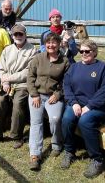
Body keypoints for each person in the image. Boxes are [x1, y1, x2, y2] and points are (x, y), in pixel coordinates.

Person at [61, 40, 105, 178]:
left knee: (84, 121)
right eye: (81, 51)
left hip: (98, 106)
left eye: (87, 51)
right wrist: (73, 103)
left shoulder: (103, 68)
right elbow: (66, 86)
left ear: (94, 52)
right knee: (66, 119)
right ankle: (69, 151)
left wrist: (89, 106)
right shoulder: (74, 67)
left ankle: (97, 159)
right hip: (77, 104)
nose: (84, 54)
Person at [0, 24, 37, 149]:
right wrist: (5, 81)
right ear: (12, 36)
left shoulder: (32, 50)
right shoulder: (7, 50)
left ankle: (16, 136)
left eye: (21, 34)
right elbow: (0, 68)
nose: (18, 36)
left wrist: (8, 78)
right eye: (16, 34)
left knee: (18, 103)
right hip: (6, 83)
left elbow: (27, 72)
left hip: (22, 85)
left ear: (25, 35)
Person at [27, 32, 69, 171]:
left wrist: (58, 94)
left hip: (53, 96)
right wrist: (34, 94)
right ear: (45, 44)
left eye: (54, 42)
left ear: (59, 44)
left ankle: (57, 144)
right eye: (48, 42)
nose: (51, 45)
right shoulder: (38, 58)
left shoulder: (65, 61)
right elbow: (30, 77)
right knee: (36, 122)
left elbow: (67, 82)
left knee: (55, 119)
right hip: (37, 95)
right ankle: (35, 155)